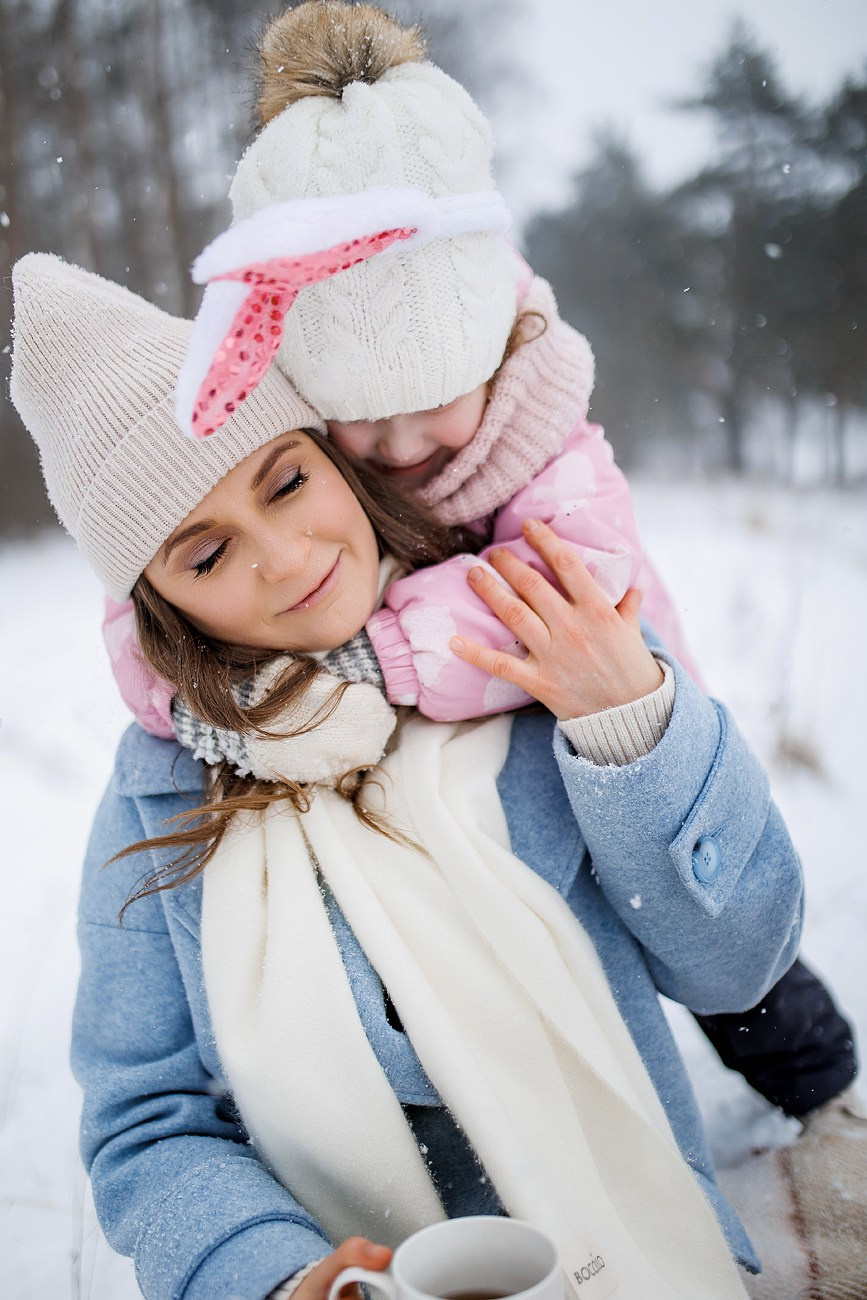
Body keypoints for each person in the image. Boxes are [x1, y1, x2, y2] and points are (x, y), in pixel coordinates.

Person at [108, 0, 859, 1161]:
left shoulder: (546, 420)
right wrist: (173, 677)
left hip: (604, 691)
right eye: (363, 417)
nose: (405, 445)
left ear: (498, 345)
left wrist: (380, 657)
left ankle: (821, 1082)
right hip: (456, 721)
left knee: (720, 960)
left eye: (434, 401)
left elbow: (556, 593)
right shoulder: (299, 463)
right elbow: (158, 560)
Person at [11, 251, 808, 1299]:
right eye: (205, 556)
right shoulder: (159, 793)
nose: (287, 558)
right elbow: (148, 1120)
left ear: (337, 458)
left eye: (286, 481)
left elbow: (736, 964)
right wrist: (271, 1276)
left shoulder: (535, 634)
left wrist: (633, 728)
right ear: (158, 604)